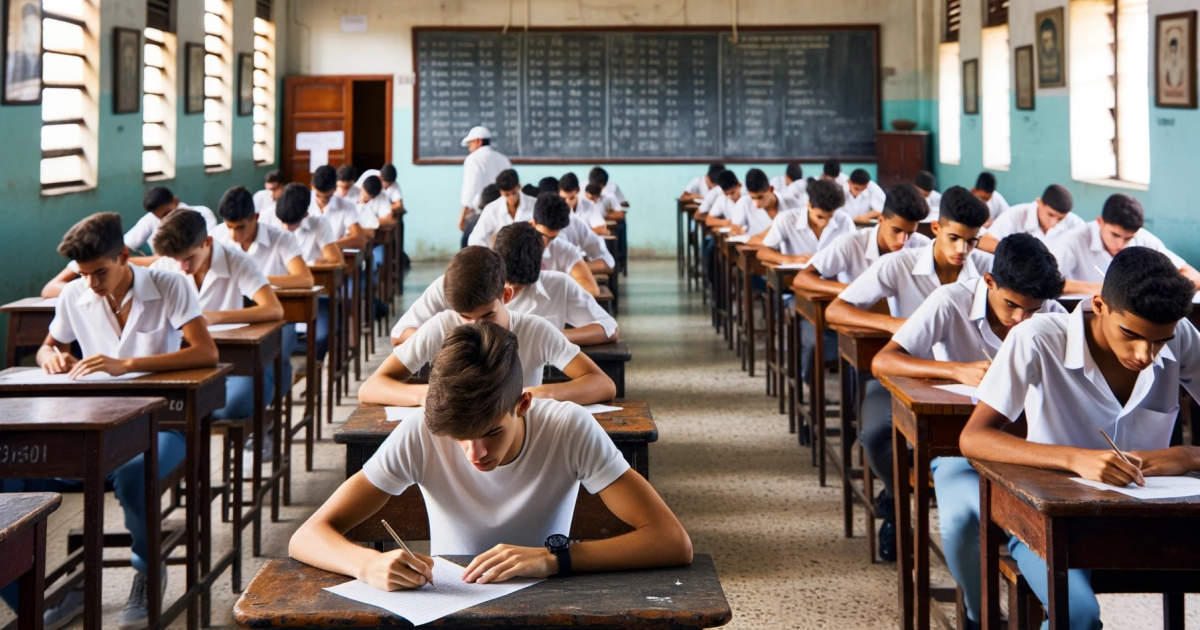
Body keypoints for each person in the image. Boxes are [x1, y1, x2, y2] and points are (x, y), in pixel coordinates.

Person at [292, 321, 691, 590]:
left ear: (522, 403)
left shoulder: (568, 428)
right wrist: (367, 565)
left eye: (491, 433)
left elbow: (672, 541)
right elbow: (307, 536)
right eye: (460, 439)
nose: (475, 455)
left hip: (547, 602)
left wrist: (554, 559)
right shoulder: (422, 431)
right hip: (454, 604)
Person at [959, 247, 1200, 630]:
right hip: (1051, 521)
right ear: (1100, 305)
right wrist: (1076, 459)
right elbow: (974, 438)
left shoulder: (1180, 335)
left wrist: (1188, 455)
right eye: (1131, 335)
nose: (1145, 354)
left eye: (1160, 341)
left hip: (1153, 518)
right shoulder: (1037, 339)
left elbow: (1161, 342)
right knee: (1079, 616)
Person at [1, 213, 218, 630]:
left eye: (100, 272)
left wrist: (128, 364)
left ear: (124, 255)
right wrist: (54, 359)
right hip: (92, 420)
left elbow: (205, 352)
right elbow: (48, 346)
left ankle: (146, 569)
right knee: (9, 476)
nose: (93, 284)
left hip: (162, 422)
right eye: (83, 275)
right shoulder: (74, 296)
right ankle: (34, 595)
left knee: (135, 474)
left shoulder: (169, 284)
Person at [870, 233, 1066, 630]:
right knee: (959, 525)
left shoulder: (1051, 315)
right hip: (960, 449)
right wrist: (954, 369)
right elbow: (883, 361)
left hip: (1030, 453)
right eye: (1012, 306)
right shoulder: (951, 300)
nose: (1020, 321)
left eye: (1032, 311)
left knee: (1049, 537)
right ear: (989, 281)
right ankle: (981, 617)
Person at [824, 186, 992, 561]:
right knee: (876, 433)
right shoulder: (899, 264)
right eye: (954, 238)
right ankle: (897, 500)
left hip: (972, 384)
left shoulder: (987, 271)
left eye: (972, 241)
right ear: (935, 228)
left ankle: (978, 521)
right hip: (906, 375)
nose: (962, 251)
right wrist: (897, 325)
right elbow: (836, 311)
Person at [360, 246, 616, 407]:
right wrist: (430, 395)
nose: (476, 327)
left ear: (506, 296)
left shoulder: (535, 330)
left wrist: (533, 395)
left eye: (487, 316)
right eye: (465, 317)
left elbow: (602, 385)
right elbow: (371, 388)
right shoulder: (440, 327)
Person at [150, 209, 286, 424]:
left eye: (188, 258)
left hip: (231, 357)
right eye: (177, 260)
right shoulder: (164, 266)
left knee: (231, 406)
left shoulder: (237, 261)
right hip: (186, 358)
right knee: (170, 411)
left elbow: (273, 309)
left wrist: (215, 317)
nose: (183, 268)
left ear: (207, 242)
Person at [791, 183, 931, 387]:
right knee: (860, 381)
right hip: (861, 325)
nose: (903, 240)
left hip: (904, 332)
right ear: (880, 220)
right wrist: (849, 291)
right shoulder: (851, 243)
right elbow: (802, 278)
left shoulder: (923, 246)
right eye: (897, 230)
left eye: (910, 233)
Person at [391, 223, 617, 346]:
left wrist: (549, 336)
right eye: (504, 282)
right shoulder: (455, 283)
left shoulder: (559, 284)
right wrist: (459, 336)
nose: (507, 291)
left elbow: (609, 329)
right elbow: (399, 334)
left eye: (517, 288)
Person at [40, 188, 218, 297]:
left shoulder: (199, 216)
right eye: (85, 274)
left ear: (176, 202)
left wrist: (116, 260)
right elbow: (122, 244)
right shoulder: (149, 225)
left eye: (100, 271)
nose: (164, 220)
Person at [1052, 193, 1200, 295]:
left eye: (1128, 238)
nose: (1121, 244)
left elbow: (1193, 276)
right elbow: (1048, 281)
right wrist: (1106, 289)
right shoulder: (1072, 240)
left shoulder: (1142, 238)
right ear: (1100, 222)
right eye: (1115, 235)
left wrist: (1156, 287)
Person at [276, 183, 343, 360]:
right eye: (283, 223)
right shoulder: (268, 221)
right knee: (276, 343)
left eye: (292, 224)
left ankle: (314, 367)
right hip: (277, 296)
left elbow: (336, 260)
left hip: (313, 296)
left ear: (305, 215)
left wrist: (318, 261)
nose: (286, 228)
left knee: (321, 337)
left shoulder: (319, 224)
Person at [211, 186, 313, 289]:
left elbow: (305, 279)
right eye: (229, 227)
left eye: (240, 227)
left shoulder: (282, 239)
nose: (233, 236)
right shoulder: (217, 235)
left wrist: (256, 280)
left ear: (256, 217)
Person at [756, 177, 849, 265]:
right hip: (795, 278)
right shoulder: (786, 219)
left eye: (830, 217)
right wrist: (793, 259)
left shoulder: (844, 220)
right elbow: (762, 252)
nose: (824, 223)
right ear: (808, 205)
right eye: (820, 217)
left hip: (834, 280)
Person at [977, 184, 1082, 253]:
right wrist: (1017, 254)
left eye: (1060, 219)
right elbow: (984, 241)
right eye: (1050, 215)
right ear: (1039, 203)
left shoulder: (1073, 223)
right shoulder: (1015, 215)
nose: (1054, 222)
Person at [530, 193, 601, 296]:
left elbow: (591, 289)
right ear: (532, 223)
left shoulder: (565, 250)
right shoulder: (513, 244)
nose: (545, 244)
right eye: (541, 235)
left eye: (551, 238)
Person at [459, 126, 513, 234]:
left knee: (473, 247)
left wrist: (463, 214)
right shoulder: (503, 159)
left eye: (470, 143)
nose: (469, 147)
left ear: (478, 141)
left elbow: (470, 188)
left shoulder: (473, 159)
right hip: (502, 211)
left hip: (480, 212)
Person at [468, 169, 536, 248]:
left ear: (519, 186)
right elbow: (475, 239)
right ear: (500, 192)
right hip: (499, 257)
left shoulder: (534, 204)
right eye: (506, 195)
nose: (511, 198)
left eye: (514, 193)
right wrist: (491, 255)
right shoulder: (491, 209)